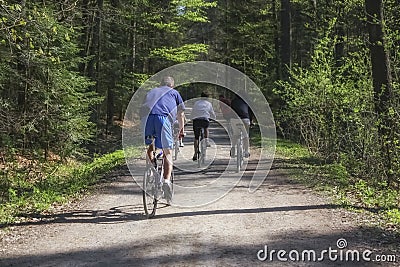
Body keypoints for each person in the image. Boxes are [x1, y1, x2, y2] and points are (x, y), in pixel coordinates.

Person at [140, 76, 185, 201]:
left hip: (146, 118)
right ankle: (166, 181)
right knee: (167, 152)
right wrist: (181, 131)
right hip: (162, 119)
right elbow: (180, 114)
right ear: (172, 85)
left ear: (160, 84)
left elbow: (143, 108)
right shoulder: (174, 93)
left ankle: (150, 170)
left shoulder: (151, 91)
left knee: (150, 146)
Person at [190, 92, 216, 161]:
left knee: (196, 137)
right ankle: (207, 141)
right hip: (205, 120)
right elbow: (212, 113)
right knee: (206, 128)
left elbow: (193, 112)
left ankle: (195, 154)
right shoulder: (209, 104)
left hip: (196, 120)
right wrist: (214, 118)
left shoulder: (196, 103)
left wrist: (191, 118)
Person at [230, 93, 252, 158]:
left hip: (234, 119)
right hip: (245, 119)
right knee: (246, 135)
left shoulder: (233, 101)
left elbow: (231, 111)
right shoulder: (247, 101)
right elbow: (250, 112)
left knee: (235, 134)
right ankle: (246, 151)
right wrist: (251, 120)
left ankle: (233, 148)